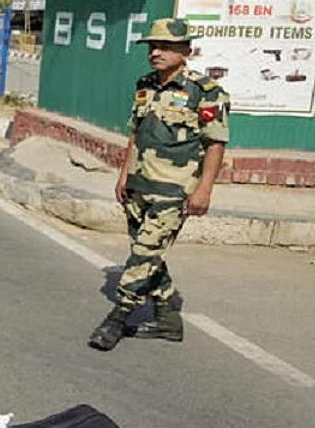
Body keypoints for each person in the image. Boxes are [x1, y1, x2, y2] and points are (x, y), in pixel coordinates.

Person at [89, 18, 229, 351]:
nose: (156, 52)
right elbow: (135, 133)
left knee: (144, 252)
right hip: (139, 184)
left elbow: (216, 144)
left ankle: (118, 317)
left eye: (165, 46)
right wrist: (124, 174)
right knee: (148, 251)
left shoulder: (206, 91)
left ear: (186, 51)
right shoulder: (145, 84)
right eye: (153, 46)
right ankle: (168, 318)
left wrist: (204, 190)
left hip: (174, 189)